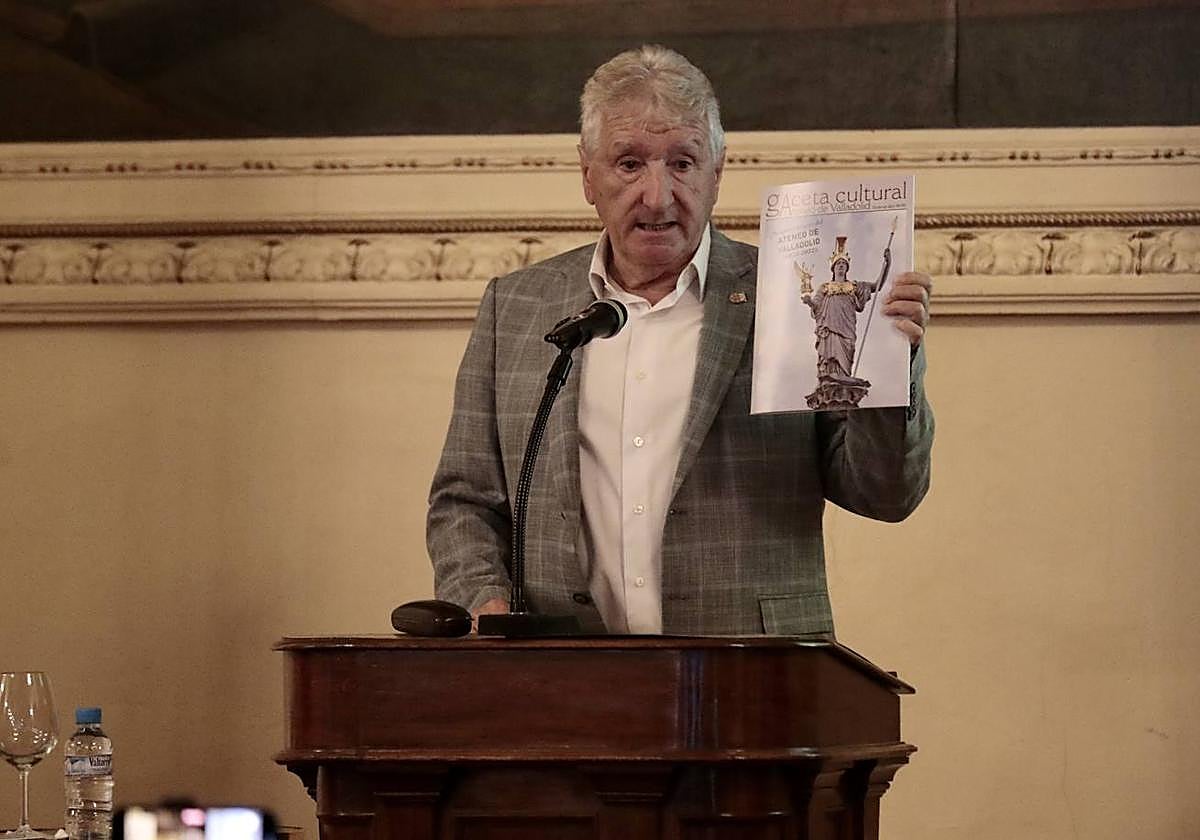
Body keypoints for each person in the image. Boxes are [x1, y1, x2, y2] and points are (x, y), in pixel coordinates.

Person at [427, 45, 933, 636]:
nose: (658, 195)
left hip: (750, 669)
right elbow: (464, 500)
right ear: (588, 176)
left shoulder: (781, 300)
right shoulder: (515, 307)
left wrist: (891, 360)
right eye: (629, 164)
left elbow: (884, 494)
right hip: (561, 671)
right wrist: (483, 601)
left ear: (717, 174)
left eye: (683, 163)